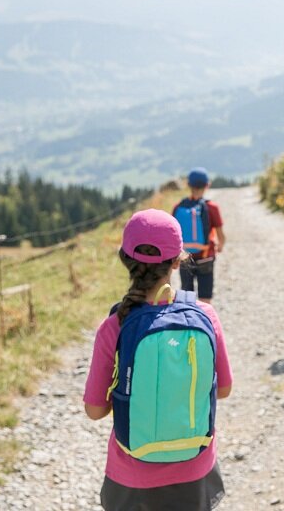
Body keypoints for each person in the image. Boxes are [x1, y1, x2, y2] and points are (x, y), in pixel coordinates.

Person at [83, 209, 233, 510]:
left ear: (125, 257)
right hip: (195, 467)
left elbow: (95, 409)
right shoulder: (205, 315)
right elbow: (224, 389)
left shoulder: (116, 325)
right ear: (178, 260)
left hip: (132, 473)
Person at [173, 167, 225, 304]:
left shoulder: (178, 207)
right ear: (207, 185)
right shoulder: (212, 207)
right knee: (205, 297)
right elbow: (220, 234)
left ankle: (187, 322)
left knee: (186, 295)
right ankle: (205, 322)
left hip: (184, 257)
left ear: (189, 185)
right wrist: (220, 246)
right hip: (206, 257)